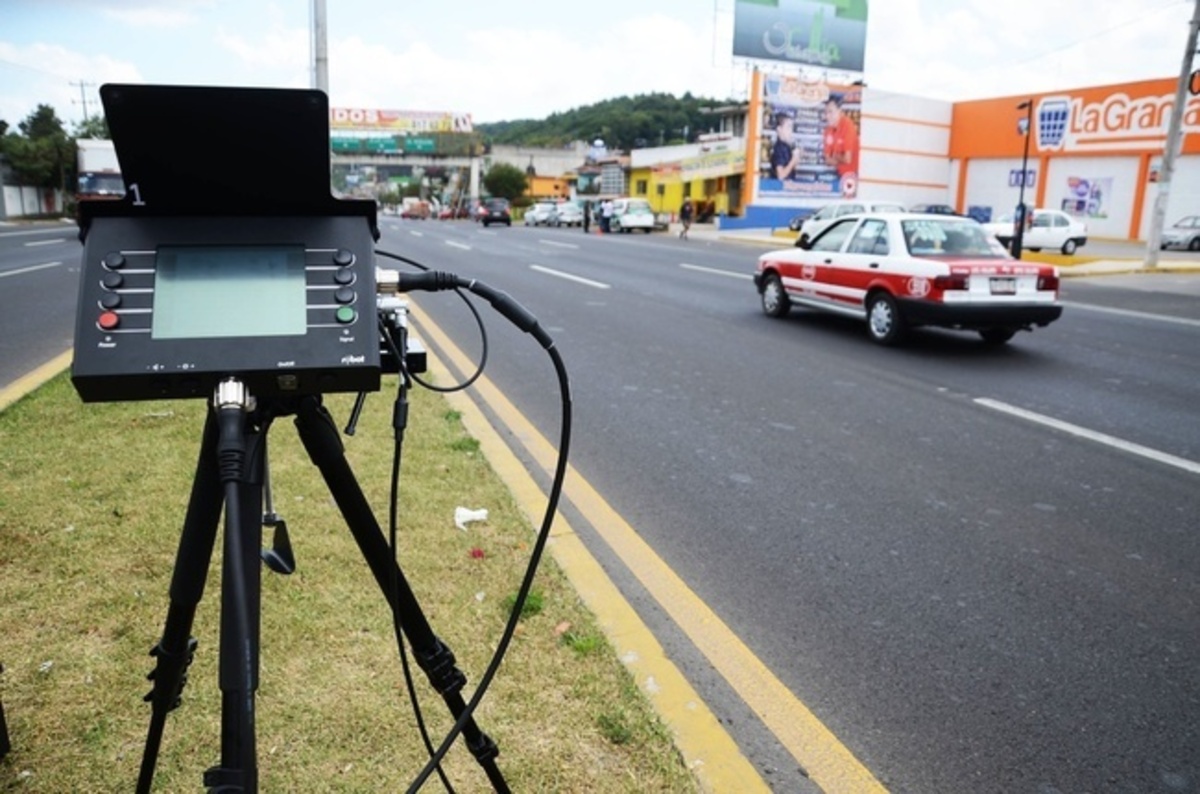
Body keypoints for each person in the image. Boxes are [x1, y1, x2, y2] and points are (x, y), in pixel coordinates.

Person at [822, 95, 860, 189]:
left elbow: (848, 159)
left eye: (830, 112)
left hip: (853, 176)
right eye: (826, 112)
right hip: (839, 174)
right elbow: (827, 159)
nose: (827, 116)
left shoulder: (848, 126)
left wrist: (835, 155)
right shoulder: (828, 130)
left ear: (840, 111)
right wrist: (839, 156)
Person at [769, 111, 801, 181]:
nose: (791, 131)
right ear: (779, 129)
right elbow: (781, 175)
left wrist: (796, 158)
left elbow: (790, 169)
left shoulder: (787, 147)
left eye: (791, 128)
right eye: (788, 127)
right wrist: (793, 160)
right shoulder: (778, 149)